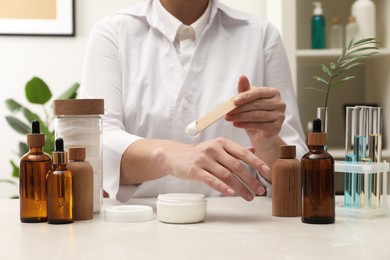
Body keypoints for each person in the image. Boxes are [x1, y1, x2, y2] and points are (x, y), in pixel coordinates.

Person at [80, 0, 307, 203]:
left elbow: (298, 173)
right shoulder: (113, 33)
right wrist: (169, 155)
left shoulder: (260, 34)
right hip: (138, 226)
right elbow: (96, 147)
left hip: (238, 228)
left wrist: (268, 145)